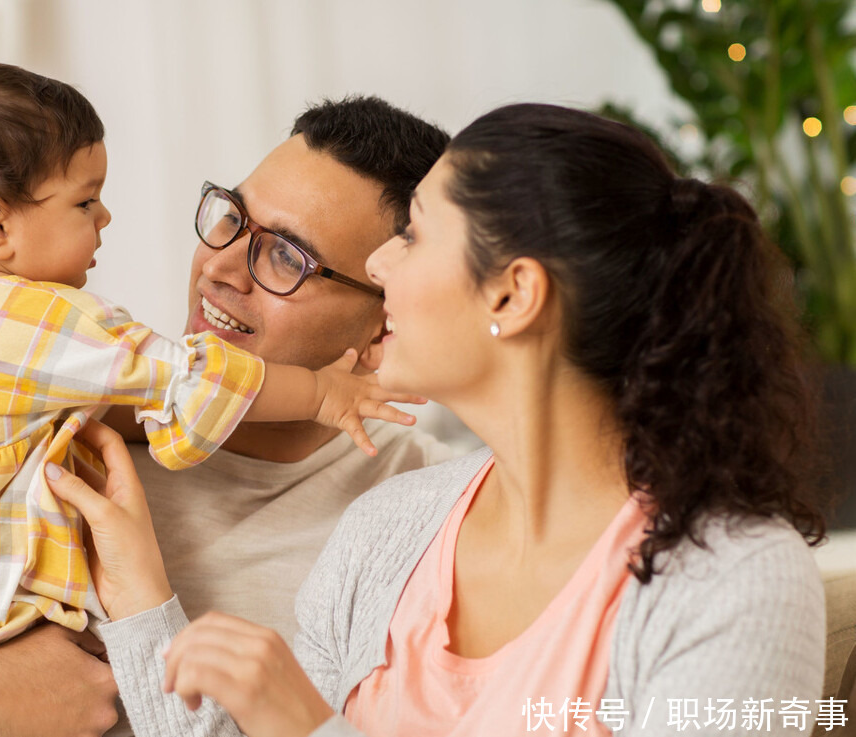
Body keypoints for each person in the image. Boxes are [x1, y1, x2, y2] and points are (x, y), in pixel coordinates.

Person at [45, 103, 830, 737]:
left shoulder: (737, 577)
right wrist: (143, 595)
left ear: (512, 295)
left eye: (414, 235)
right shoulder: (390, 529)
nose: (383, 268)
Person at [0, 95, 454, 736]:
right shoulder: (55, 423)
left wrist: (150, 612)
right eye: (232, 218)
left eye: (286, 257)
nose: (222, 267)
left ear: (384, 326)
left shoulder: (424, 520)